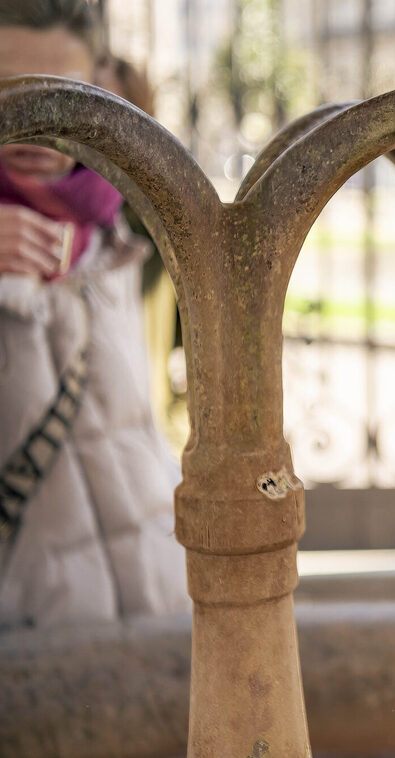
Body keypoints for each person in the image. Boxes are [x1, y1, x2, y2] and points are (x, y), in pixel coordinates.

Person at [0, 0, 190, 629]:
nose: (35, 131)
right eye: (8, 95)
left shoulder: (122, 219)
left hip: (155, 612)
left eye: (62, 98)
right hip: (28, 654)